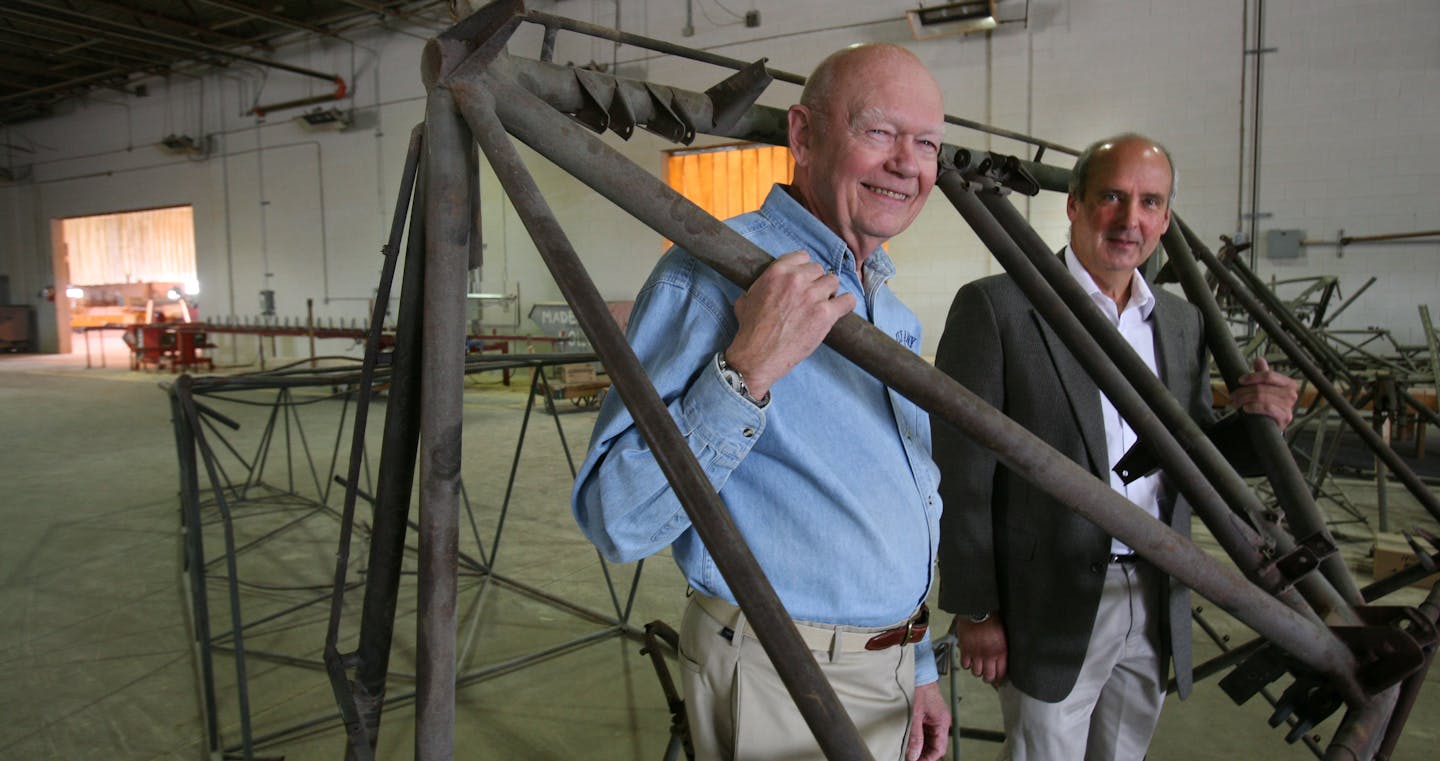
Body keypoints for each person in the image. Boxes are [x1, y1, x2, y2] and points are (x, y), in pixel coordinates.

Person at [572, 44, 951, 761]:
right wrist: (746, 369)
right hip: (783, 676)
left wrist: (915, 660)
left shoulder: (891, 311)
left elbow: (892, 508)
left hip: (887, 666)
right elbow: (615, 519)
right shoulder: (713, 272)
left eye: (926, 142)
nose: (909, 162)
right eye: (879, 131)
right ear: (803, 136)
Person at [932, 134, 1298, 760]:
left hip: (1156, 593)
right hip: (1047, 599)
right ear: (1073, 205)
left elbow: (1197, 457)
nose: (1131, 220)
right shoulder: (997, 308)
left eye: (1150, 202)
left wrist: (1264, 427)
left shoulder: (1181, 322)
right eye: (1112, 197)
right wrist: (975, 610)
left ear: (1165, 217)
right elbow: (962, 476)